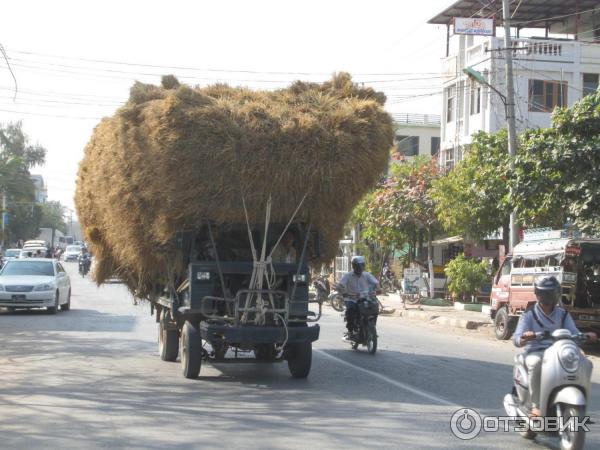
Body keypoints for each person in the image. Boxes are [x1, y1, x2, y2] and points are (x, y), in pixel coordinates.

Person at [513, 275, 597, 417]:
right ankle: (536, 406)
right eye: (546, 293)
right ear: (538, 294)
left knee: (586, 363)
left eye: (552, 293)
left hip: (558, 351)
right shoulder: (529, 315)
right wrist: (524, 337)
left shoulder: (563, 314)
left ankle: (579, 399)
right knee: (536, 363)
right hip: (536, 351)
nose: (550, 297)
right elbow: (516, 338)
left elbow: (574, 333)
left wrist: (585, 336)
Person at [337, 255, 379, 338]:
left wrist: (378, 289)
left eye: (362, 266)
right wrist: (344, 292)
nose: (360, 268)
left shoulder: (367, 275)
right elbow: (340, 286)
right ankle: (350, 331)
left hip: (365, 298)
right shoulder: (348, 276)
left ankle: (372, 327)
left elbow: (376, 283)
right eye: (358, 266)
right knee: (351, 311)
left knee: (374, 308)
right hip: (351, 299)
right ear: (354, 266)